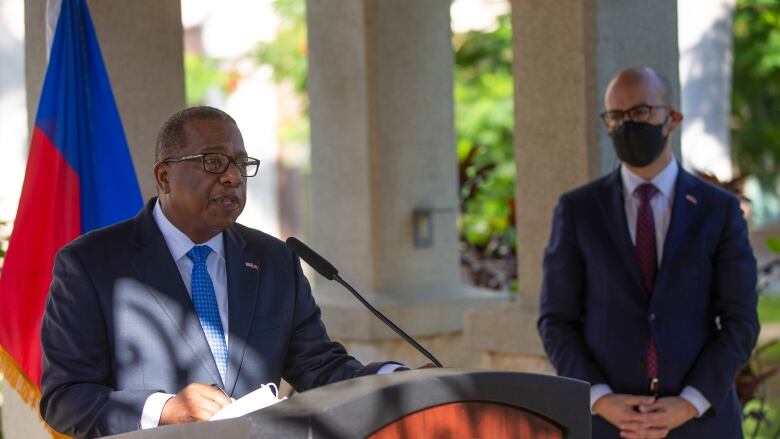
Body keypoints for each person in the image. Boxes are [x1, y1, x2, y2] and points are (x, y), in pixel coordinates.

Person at [39, 106, 404, 438]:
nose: (233, 177)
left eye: (240, 163)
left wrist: (395, 380)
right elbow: (66, 397)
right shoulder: (90, 264)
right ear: (164, 177)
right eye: (213, 161)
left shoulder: (275, 259)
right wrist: (163, 410)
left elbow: (319, 368)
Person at [537, 67, 759, 438]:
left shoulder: (717, 210)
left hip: (702, 425)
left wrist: (690, 402)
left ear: (672, 119)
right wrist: (601, 398)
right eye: (617, 116)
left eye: (641, 112)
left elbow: (740, 321)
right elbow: (556, 322)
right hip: (605, 426)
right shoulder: (578, 210)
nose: (628, 124)